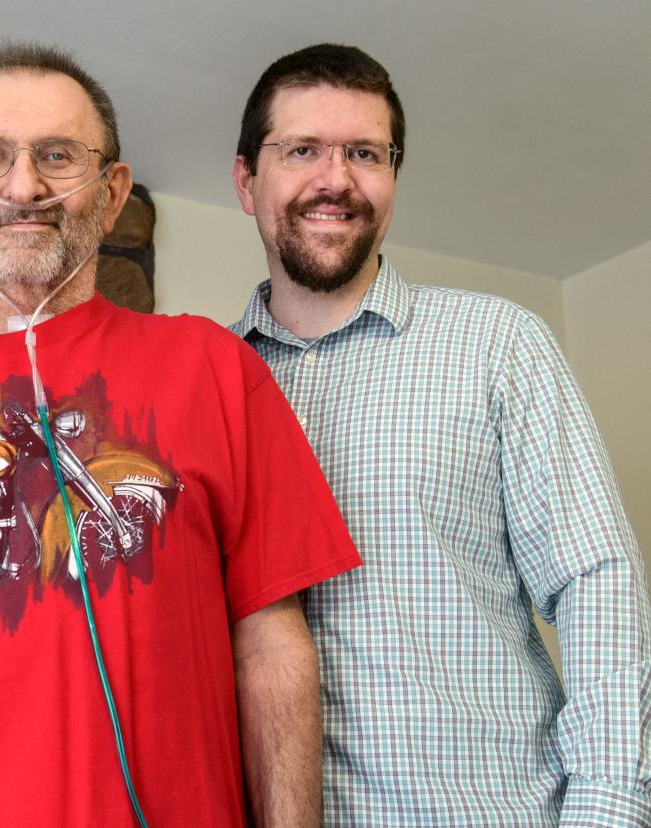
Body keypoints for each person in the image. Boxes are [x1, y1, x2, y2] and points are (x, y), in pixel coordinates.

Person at [0, 42, 360, 827]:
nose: (24, 186)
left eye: (58, 156)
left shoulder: (212, 366)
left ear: (113, 191)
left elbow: (270, 643)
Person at [230, 43, 651, 826]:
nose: (337, 179)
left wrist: (607, 810)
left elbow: (597, 587)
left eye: (366, 152)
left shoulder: (498, 344)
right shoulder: (205, 384)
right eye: (302, 150)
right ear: (248, 180)